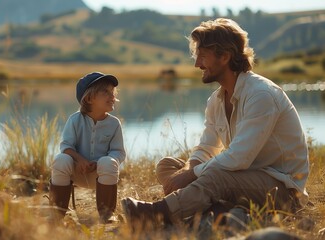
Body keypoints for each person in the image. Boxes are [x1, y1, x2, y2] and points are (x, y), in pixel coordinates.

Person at [121, 18, 310, 228]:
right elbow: (207, 147)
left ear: (225, 56)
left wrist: (191, 174)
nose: (196, 64)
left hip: (282, 189)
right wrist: (189, 168)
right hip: (240, 180)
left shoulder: (261, 95)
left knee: (215, 177)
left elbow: (239, 157)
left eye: (202, 56)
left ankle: (155, 214)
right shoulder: (216, 100)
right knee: (168, 165)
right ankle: (217, 209)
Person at [49, 72, 126, 223]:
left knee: (109, 162)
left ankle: (106, 215)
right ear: (89, 98)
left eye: (113, 92)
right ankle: (57, 214)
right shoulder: (75, 120)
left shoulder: (114, 123)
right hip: (76, 173)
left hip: (102, 175)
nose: (112, 97)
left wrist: (100, 163)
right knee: (60, 160)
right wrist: (79, 160)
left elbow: (119, 152)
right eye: (106, 92)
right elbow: (66, 146)